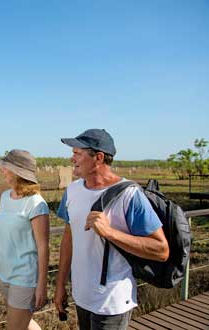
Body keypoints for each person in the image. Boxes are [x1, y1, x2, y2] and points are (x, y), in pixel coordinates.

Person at [54, 129, 169, 330]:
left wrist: (110, 232)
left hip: (112, 301)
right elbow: (68, 239)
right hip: (81, 296)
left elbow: (161, 250)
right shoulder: (72, 191)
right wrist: (60, 285)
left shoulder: (130, 196)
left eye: (77, 154)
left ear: (98, 158)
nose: (72, 159)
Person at [0, 149, 50, 330]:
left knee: (14, 327)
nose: (2, 169)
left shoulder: (36, 203)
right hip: (4, 272)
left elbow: (43, 247)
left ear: (17, 172)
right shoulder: (5, 197)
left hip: (24, 277)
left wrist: (41, 285)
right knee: (25, 323)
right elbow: (7, 228)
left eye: (5, 167)